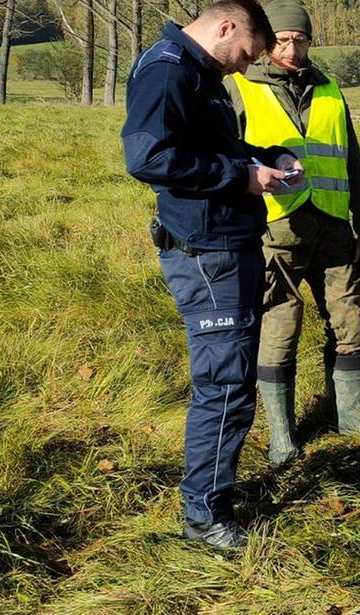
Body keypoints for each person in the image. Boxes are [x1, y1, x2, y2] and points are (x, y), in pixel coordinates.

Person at [122, 0, 304, 549]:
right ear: (225, 27)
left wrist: (264, 157)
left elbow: (208, 147)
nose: (245, 68)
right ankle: (204, 517)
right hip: (206, 252)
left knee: (231, 378)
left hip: (226, 244)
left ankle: (211, 495)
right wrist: (243, 178)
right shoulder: (169, 69)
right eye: (245, 54)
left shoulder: (196, 70)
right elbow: (149, 157)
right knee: (224, 384)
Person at [224, 0, 360, 468]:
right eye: (281, 40)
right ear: (264, 43)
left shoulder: (331, 90)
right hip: (274, 231)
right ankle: (283, 436)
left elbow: (351, 161)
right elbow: (228, 159)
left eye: (299, 39)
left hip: (335, 228)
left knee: (352, 319)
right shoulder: (239, 87)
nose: (291, 47)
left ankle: (352, 420)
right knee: (280, 325)